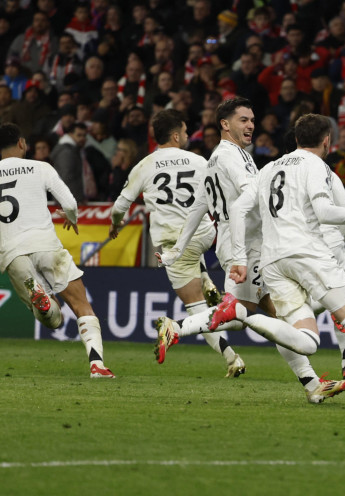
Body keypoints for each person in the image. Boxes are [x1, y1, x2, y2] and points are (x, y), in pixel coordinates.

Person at [157, 99, 345, 403]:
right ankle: (312, 384)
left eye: (252, 120)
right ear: (225, 124)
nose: (250, 125)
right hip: (248, 245)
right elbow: (248, 197)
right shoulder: (230, 158)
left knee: (252, 314)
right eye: (243, 120)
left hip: (240, 242)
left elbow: (199, 204)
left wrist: (177, 249)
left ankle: (312, 385)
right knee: (279, 312)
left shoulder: (221, 158)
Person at [225, 113, 345, 408]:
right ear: (327, 140)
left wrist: (238, 255)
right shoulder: (316, 165)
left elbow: (239, 208)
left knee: (306, 339)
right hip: (307, 253)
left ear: (295, 139)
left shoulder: (268, 169)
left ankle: (243, 315)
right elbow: (325, 212)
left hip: (272, 261)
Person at [109, 109, 246, 378]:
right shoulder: (199, 161)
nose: (186, 135)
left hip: (175, 246)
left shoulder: (145, 165)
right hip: (206, 233)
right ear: (175, 135)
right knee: (197, 257)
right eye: (184, 131)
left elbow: (119, 206)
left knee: (196, 309)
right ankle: (205, 276)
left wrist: (116, 224)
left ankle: (232, 359)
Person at [0, 122, 114, 377]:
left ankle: (41, 297)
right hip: (46, 246)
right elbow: (70, 203)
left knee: (52, 320)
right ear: (21, 143)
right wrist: (71, 217)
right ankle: (97, 364)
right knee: (81, 305)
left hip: (12, 254)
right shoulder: (41, 167)